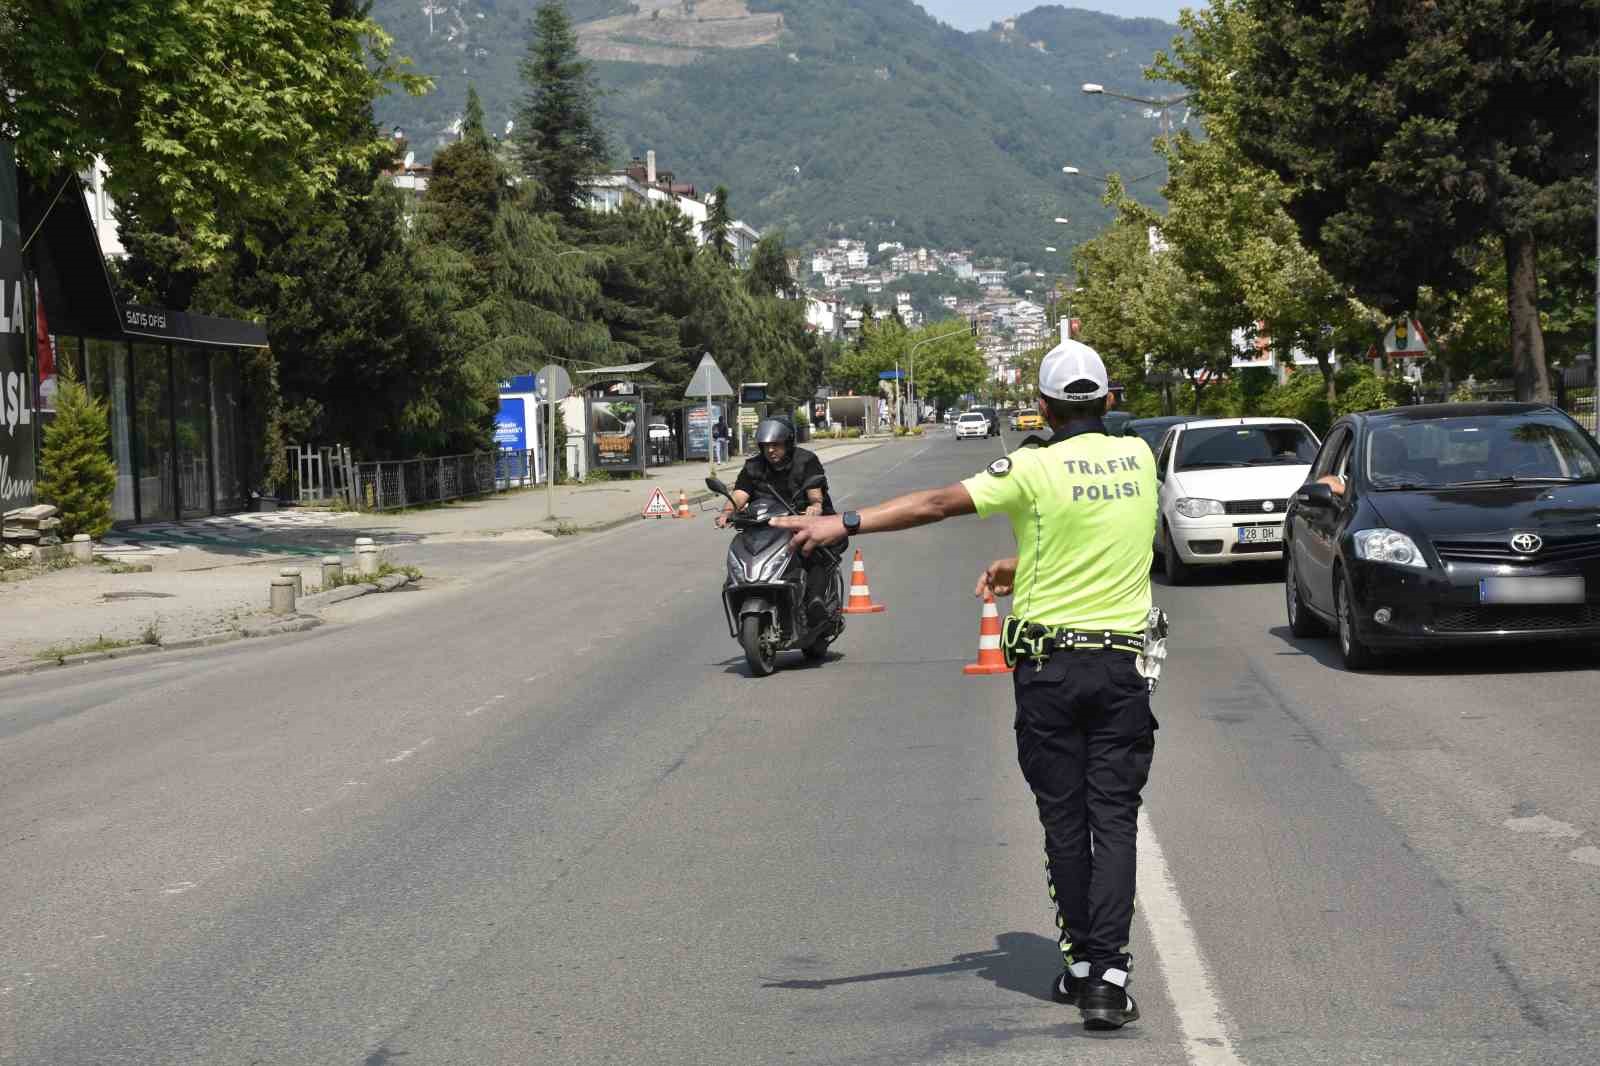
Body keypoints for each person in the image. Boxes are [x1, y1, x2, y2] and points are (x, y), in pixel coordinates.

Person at [773, 340, 1160, 1031]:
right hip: (1122, 669)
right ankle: (1106, 975)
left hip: (1049, 671)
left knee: (1064, 820)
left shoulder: (1035, 467)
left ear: (1041, 406)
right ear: (1108, 399)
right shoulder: (1139, 459)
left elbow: (935, 503)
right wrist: (1025, 560)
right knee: (1115, 819)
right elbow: (1102, 534)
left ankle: (1082, 964)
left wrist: (844, 520)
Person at [717, 418, 837, 624]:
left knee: (812, 551)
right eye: (766, 446)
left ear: (788, 443)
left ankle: (815, 599)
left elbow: (815, 493)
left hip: (803, 522)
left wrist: (814, 507)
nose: (770, 451)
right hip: (766, 525)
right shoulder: (754, 466)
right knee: (745, 548)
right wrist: (727, 511)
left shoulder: (806, 461)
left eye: (776, 445)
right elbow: (740, 494)